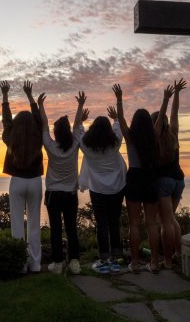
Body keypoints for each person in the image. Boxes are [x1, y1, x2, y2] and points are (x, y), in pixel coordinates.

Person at [37, 91, 89, 275]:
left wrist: (40, 105)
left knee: (56, 229)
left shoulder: (50, 147)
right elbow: (77, 125)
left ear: (56, 133)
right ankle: (74, 263)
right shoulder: (75, 144)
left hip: (53, 195)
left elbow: (43, 124)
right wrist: (81, 104)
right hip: (70, 195)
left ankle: (57, 264)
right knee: (71, 228)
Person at [76, 91, 127, 274]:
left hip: (98, 189)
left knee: (102, 223)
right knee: (114, 221)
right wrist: (114, 117)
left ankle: (103, 259)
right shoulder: (115, 144)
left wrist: (81, 115)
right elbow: (118, 128)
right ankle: (115, 259)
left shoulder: (87, 146)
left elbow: (78, 132)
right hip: (117, 187)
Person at [112, 84, 160, 274]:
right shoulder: (154, 137)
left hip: (134, 178)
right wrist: (166, 99)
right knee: (151, 223)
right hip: (149, 178)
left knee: (134, 224)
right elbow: (160, 123)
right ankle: (155, 262)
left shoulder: (130, 136)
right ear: (149, 124)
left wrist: (119, 98)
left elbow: (122, 120)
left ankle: (135, 264)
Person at [0, 80, 44, 273]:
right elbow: (39, 119)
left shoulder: (11, 137)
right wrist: (30, 96)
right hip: (35, 181)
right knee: (34, 223)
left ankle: (20, 264)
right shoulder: (39, 136)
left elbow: (7, 121)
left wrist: (5, 96)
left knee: (17, 223)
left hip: (17, 181)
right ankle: (35, 265)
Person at [152, 78, 187, 267]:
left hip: (164, 182)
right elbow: (175, 113)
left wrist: (165, 99)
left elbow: (165, 115)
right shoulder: (174, 134)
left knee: (165, 222)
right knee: (172, 219)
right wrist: (177, 93)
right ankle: (179, 254)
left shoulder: (156, 138)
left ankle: (167, 260)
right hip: (179, 181)